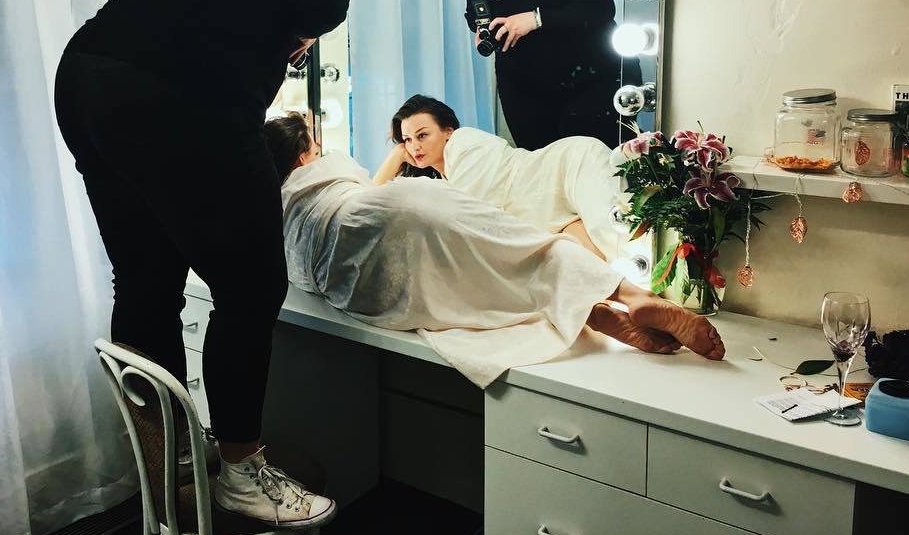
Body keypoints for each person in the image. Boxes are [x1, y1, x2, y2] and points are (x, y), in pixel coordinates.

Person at [54, 0, 347, 529]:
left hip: (84, 77)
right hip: (179, 96)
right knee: (252, 286)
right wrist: (299, 33)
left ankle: (169, 465)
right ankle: (242, 472)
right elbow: (324, 4)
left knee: (144, 280)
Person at [265, 113, 724, 388]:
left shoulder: (285, 207)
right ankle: (628, 295)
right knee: (522, 249)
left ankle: (592, 312)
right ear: (304, 158)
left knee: (466, 294)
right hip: (398, 205)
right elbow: (372, 193)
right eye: (315, 145)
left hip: (361, 274)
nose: (413, 147)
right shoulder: (329, 172)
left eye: (422, 136)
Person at [376, 95, 622, 263]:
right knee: (588, 264)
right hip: (553, 214)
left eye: (422, 135)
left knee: (613, 234)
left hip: (569, 165)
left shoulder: (464, 142)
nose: (414, 146)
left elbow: (473, 221)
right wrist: (396, 155)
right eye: (407, 140)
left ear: (448, 131)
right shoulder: (444, 182)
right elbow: (368, 205)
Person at [447, 0, 641, 150]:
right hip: (525, 90)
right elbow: (475, 14)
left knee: (594, 157)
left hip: (593, 76)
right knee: (540, 164)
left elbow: (600, 9)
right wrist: (482, 28)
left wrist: (536, 19)